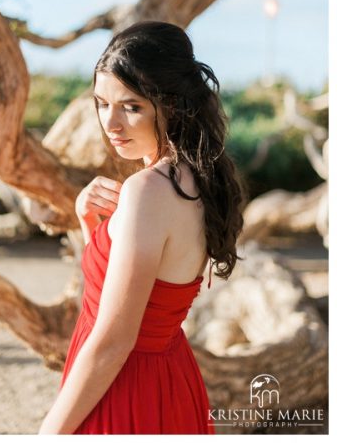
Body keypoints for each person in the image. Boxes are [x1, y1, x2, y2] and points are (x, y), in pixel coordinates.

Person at [39, 21, 244, 434]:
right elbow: (126, 294)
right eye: (101, 103)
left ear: (172, 105)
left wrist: (49, 434)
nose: (110, 122)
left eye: (131, 106)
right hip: (170, 379)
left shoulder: (148, 191)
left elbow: (114, 341)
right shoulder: (197, 179)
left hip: (125, 387)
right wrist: (90, 224)